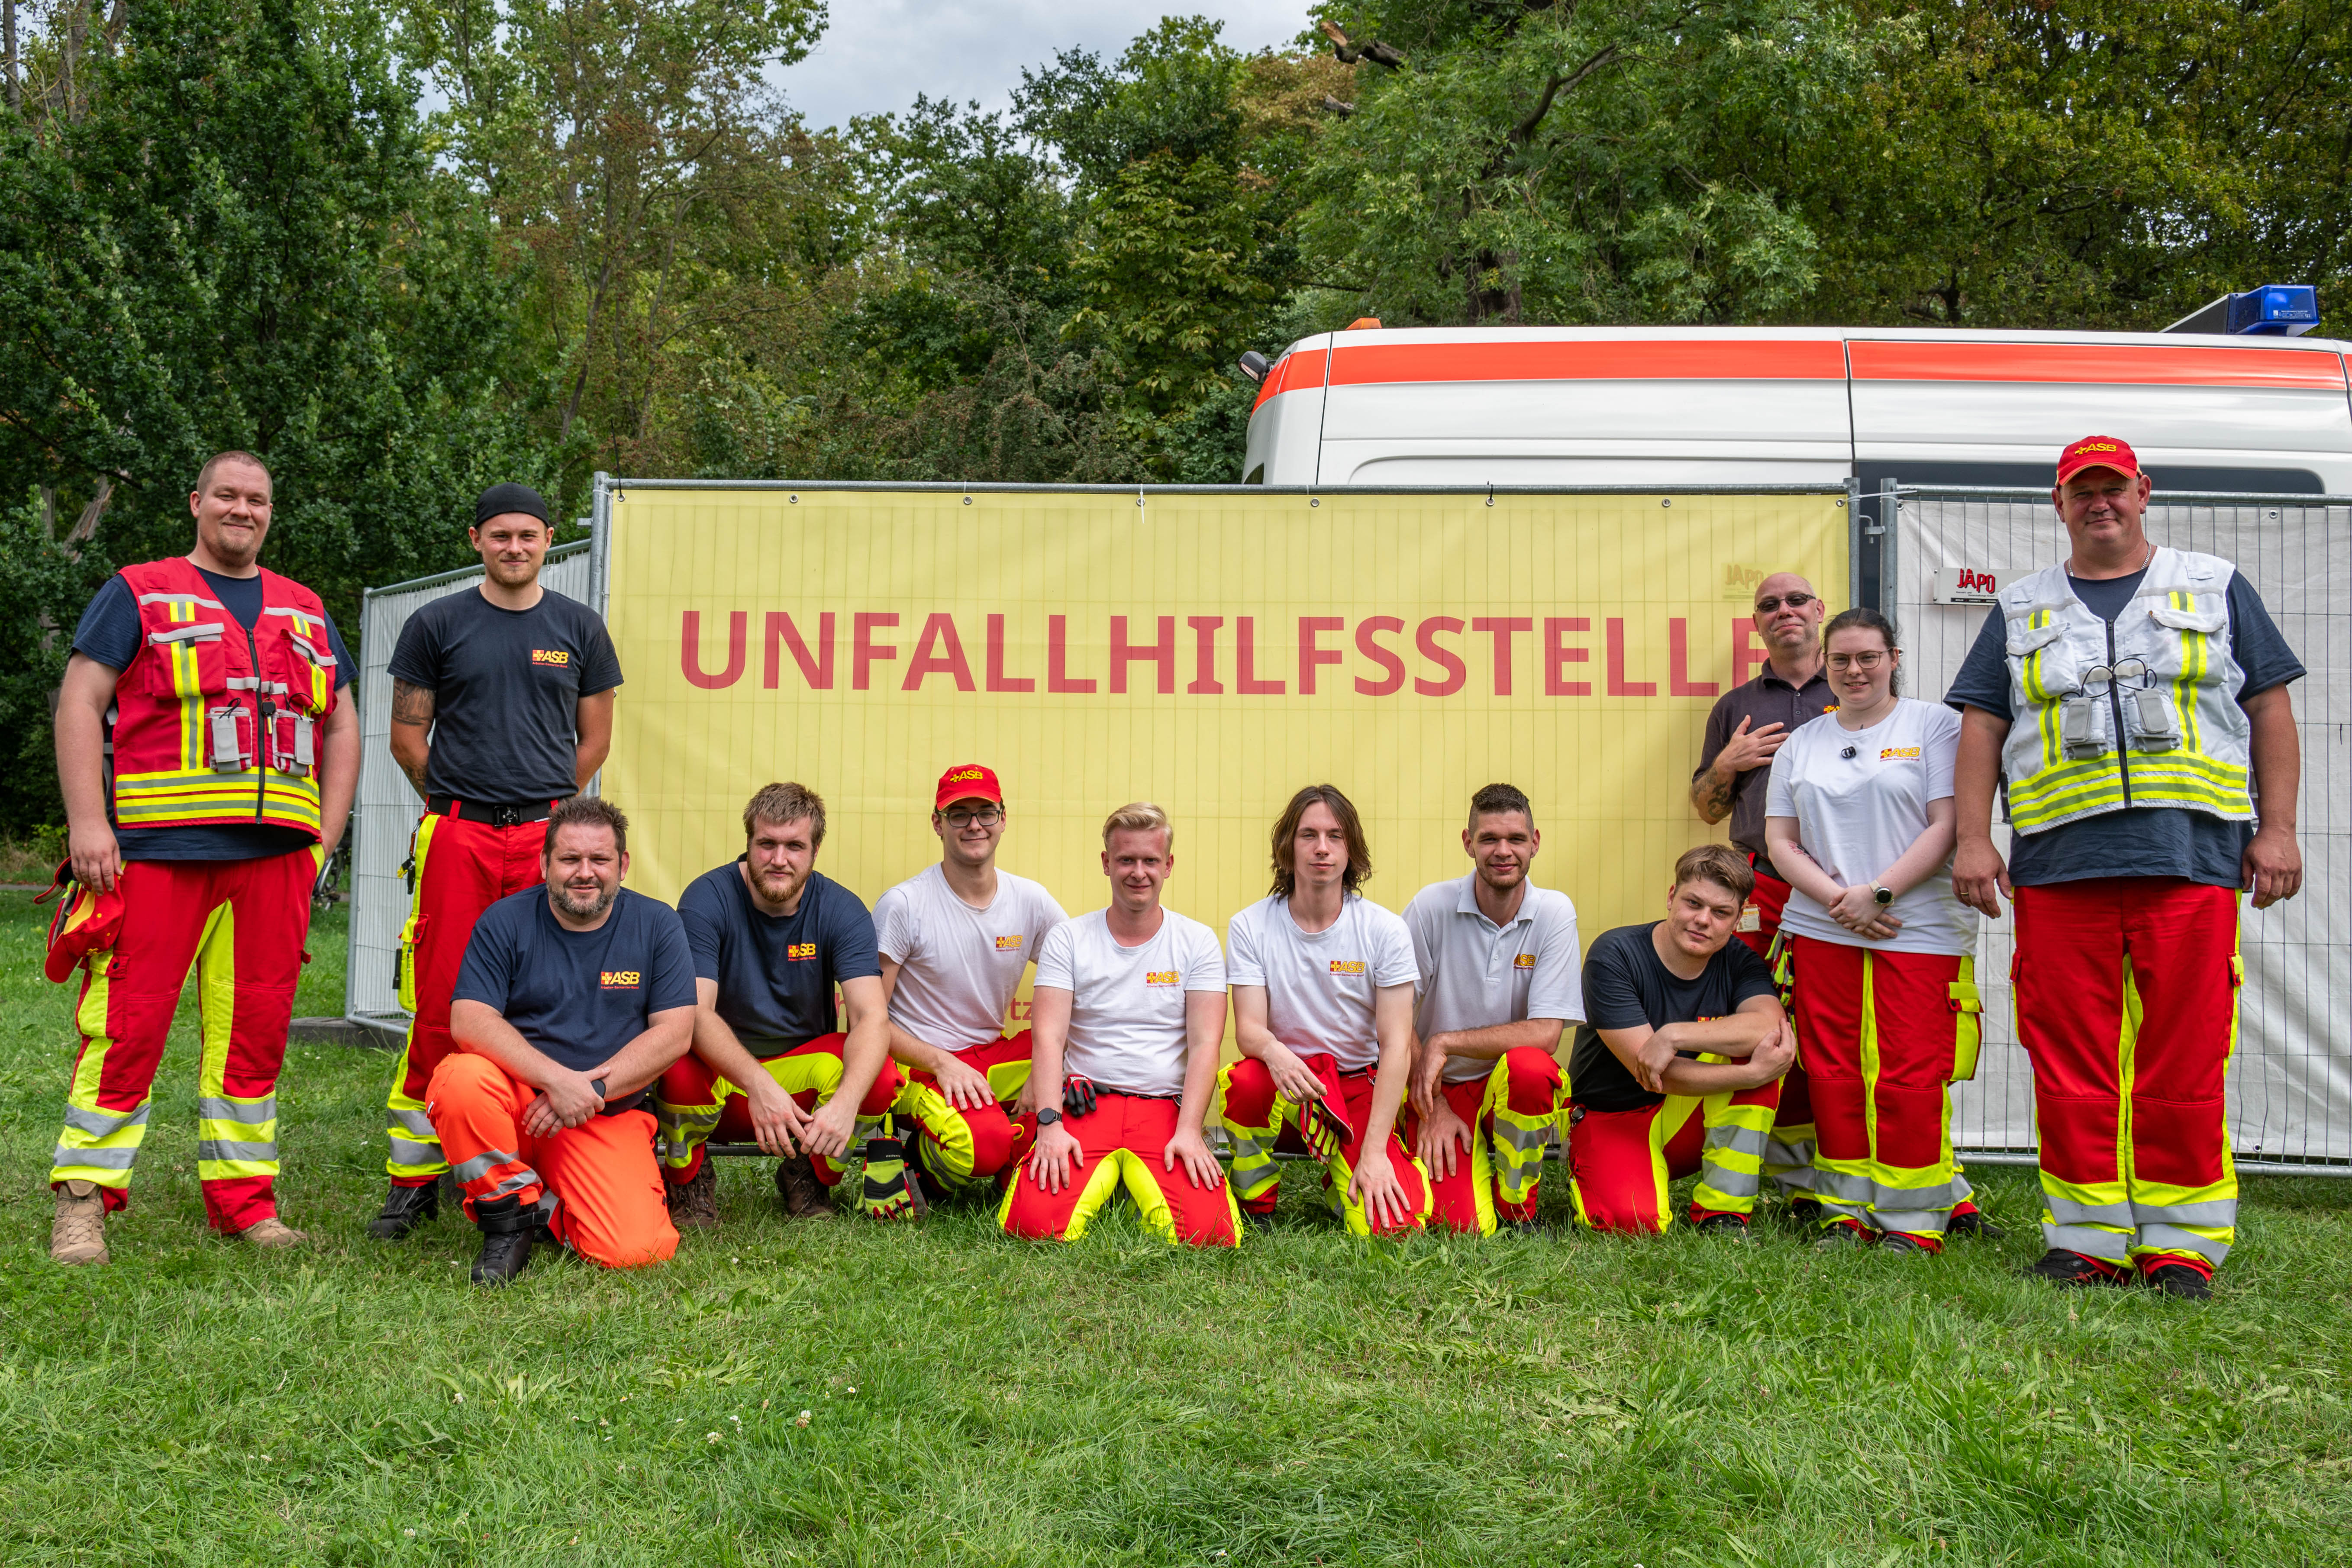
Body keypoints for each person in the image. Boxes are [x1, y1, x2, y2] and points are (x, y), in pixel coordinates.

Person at [1948, 435, 2304, 1300]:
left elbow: (2268, 707)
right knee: (2069, 1056)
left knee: (2180, 1055)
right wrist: (1970, 839)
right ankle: (2088, 1239)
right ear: (2057, 503)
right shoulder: (2021, 605)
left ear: (2143, 493)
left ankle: (2181, 1244)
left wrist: (2279, 829)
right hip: (2056, 866)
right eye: (2081, 490)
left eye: (2113, 487)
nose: (2097, 502)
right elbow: (1982, 728)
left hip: (2191, 861)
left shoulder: (2212, 584)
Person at [46, 451, 360, 1266]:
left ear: (269, 512)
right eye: (227, 494)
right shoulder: (138, 590)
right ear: (197, 502)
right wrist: (89, 822)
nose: (242, 509)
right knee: (126, 1028)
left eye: (257, 499)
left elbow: (341, 725)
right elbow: (82, 700)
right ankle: (83, 1200)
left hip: (275, 862)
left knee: (253, 1034)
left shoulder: (305, 607)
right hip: (156, 854)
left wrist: (323, 839)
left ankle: (246, 1203)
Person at [369, 483, 621, 1240]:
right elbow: (407, 738)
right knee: (443, 1002)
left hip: (547, 836)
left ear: (548, 540)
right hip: (457, 834)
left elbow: (595, 742)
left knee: (551, 992)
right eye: (500, 536)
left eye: (529, 536)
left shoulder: (579, 627)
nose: (515, 548)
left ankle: (527, 1152)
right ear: (476, 539)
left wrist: (541, 810)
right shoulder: (435, 622)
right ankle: (413, 1176)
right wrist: (464, 799)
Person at [1764, 609, 1979, 1251]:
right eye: (1841, 660)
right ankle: (1843, 1208)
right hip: (1824, 925)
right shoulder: (1803, 741)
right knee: (1833, 1070)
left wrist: (1879, 893)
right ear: (1824, 664)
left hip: (1916, 929)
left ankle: (1913, 1219)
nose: (1854, 671)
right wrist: (1841, 899)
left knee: (1908, 1072)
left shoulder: (1935, 725)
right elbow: (1779, 840)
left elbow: (1947, 824)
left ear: (1894, 657)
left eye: (1868, 657)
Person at [432, 795, 694, 1284]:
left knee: (636, 1249)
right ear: (544, 862)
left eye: (600, 859)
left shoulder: (659, 925)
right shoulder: (504, 920)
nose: (585, 872)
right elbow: (469, 1020)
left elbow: (674, 1034)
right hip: (515, 1105)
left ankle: (541, 1198)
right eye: (570, 859)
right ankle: (507, 1220)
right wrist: (558, 1082)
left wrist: (589, 1093)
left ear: (624, 864)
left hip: (605, 1111)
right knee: (458, 1080)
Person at [651, 782, 912, 1226]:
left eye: (795, 846)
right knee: (674, 1062)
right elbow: (695, 1013)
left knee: (879, 1075)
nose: (779, 858)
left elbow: (871, 1016)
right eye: (767, 844)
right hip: (726, 1082)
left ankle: (807, 1174)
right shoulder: (706, 898)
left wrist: (847, 1103)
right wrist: (757, 1084)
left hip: (799, 1096)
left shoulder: (841, 908)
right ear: (748, 843)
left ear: (815, 851)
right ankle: (688, 1177)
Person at [1001, 803, 1236, 1246]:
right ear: (1107, 863)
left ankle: (1126, 1182)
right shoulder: (1069, 938)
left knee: (1209, 1234)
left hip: (1165, 1109)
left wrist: (1190, 1130)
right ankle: (1110, 1178)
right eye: (1126, 859)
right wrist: (1050, 1126)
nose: (1138, 872)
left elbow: (1207, 1044)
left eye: (1150, 860)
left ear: (1168, 865)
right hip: (1086, 1103)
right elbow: (1049, 1036)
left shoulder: (1198, 941)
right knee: (1033, 1226)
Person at [1218, 785, 1427, 1236]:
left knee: (1396, 1226)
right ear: (1287, 847)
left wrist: (1373, 1153)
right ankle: (1256, 1200)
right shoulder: (1250, 925)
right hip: (1287, 1087)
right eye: (1308, 834)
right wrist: (1279, 1056)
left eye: (1335, 836)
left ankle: (1353, 1171)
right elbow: (1250, 1030)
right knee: (1244, 1080)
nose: (1321, 848)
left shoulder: (1386, 930)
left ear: (1351, 849)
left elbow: (1396, 1047)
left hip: (1355, 1091)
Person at [1690, 571, 1833, 1214]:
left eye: (1797, 600)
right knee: (1757, 1016)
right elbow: (1703, 806)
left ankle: (1819, 1170)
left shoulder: (1856, 685)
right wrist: (1727, 764)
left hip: (1841, 886)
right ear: (1755, 623)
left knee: (1829, 1020)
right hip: (1759, 885)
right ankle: (1755, 1175)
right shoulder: (1737, 703)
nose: (1785, 611)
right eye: (1769, 605)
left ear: (1819, 611)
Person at [1563, 845, 1797, 1234]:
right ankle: (1590, 1168)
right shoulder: (1615, 954)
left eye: (1721, 913)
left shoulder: (1739, 961)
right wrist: (1750, 1076)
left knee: (1762, 1051)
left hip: (1681, 1116)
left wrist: (1673, 1034)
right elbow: (1654, 1075)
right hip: (1611, 1115)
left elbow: (1770, 1029)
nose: (1703, 921)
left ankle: (1723, 1215)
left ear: (1738, 919)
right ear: (1672, 897)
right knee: (1631, 1223)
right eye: (1693, 903)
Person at [874, 764, 1066, 1202]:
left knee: (1091, 1061)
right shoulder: (904, 905)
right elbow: (870, 1022)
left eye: (986, 812)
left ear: (1004, 818)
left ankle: (1019, 1154)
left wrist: (1044, 1063)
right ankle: (924, 1165)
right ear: (937, 823)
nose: (974, 824)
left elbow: (1077, 979)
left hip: (990, 1056)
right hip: (921, 1066)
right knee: (984, 1146)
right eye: (959, 814)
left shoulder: (1030, 899)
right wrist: (941, 1062)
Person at [1401, 784, 1582, 1235]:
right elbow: (1394, 1014)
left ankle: (1518, 1208)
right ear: (1468, 842)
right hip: (1438, 1090)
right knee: (1458, 1225)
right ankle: (1469, 1176)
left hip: (1506, 1088)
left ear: (1535, 842)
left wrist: (1447, 1040)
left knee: (1533, 1068)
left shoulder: (1555, 912)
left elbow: (1546, 1034)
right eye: (1489, 839)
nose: (1504, 851)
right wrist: (1434, 1105)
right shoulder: (1430, 906)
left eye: (1516, 839)